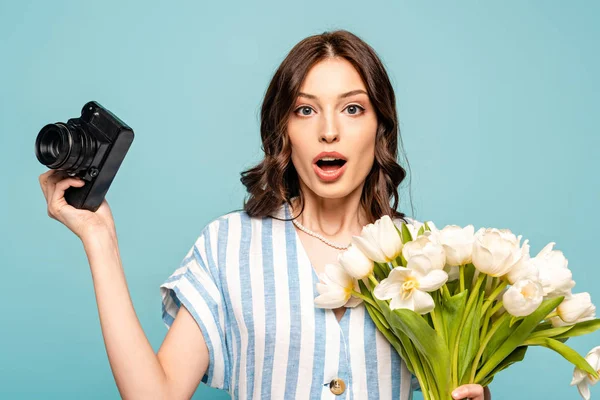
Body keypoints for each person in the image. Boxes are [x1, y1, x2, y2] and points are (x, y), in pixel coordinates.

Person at [38, 30, 491, 400]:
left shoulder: (428, 256)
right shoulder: (229, 244)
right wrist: (100, 240)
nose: (328, 130)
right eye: (305, 109)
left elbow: (453, 386)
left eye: (352, 109)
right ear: (284, 130)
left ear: (380, 127)